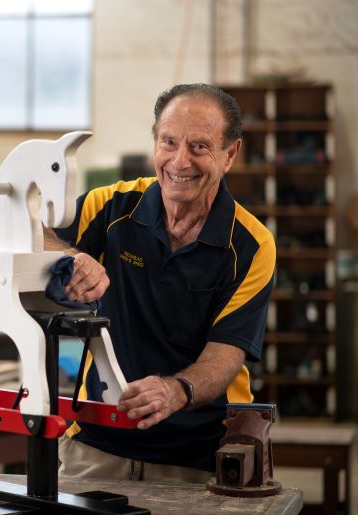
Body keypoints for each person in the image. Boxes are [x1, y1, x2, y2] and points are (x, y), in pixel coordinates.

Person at [45, 83, 276, 483]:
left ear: (230, 154)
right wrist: (71, 257)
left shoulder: (252, 245)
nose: (179, 161)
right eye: (168, 142)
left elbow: (225, 355)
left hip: (198, 454)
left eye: (199, 147)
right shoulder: (111, 207)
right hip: (97, 441)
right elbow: (33, 233)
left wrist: (175, 390)